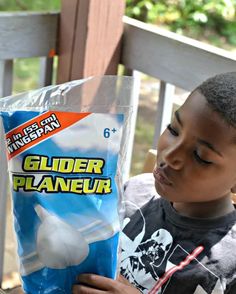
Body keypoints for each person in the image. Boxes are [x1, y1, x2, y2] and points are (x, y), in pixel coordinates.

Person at [72, 71, 236, 293]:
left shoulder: (229, 264)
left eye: (200, 156)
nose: (169, 156)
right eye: (173, 129)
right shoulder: (134, 192)